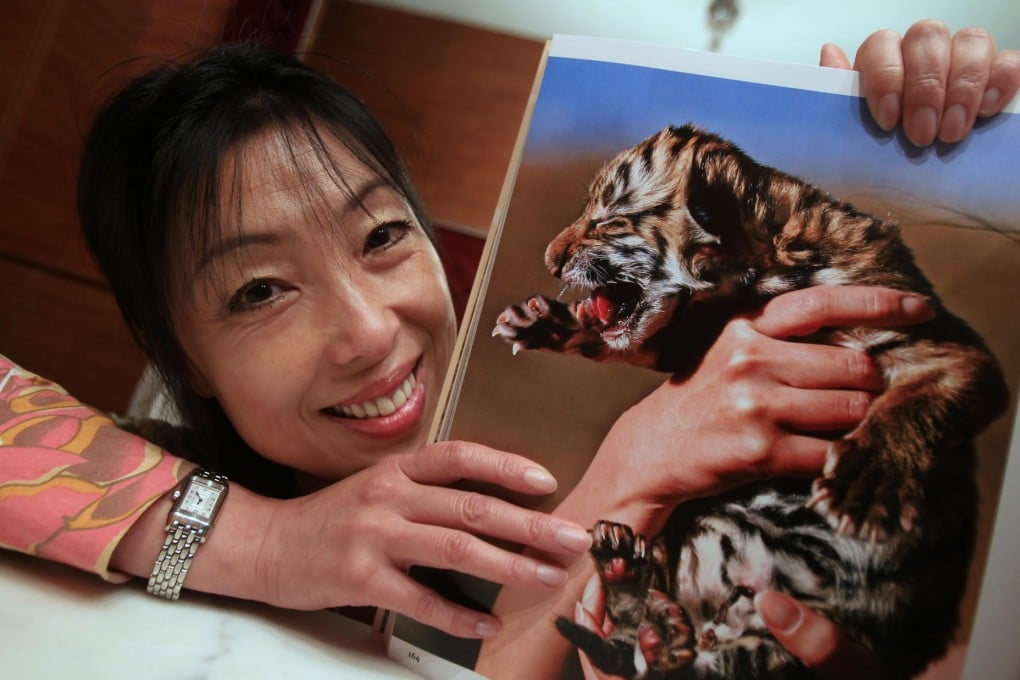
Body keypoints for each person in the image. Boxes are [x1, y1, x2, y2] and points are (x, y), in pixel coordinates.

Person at [0, 17, 1016, 677]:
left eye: (383, 235)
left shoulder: (673, 501)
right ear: (174, 346)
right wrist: (273, 543)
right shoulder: (125, 508)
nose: (367, 328)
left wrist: (903, 122)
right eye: (259, 288)